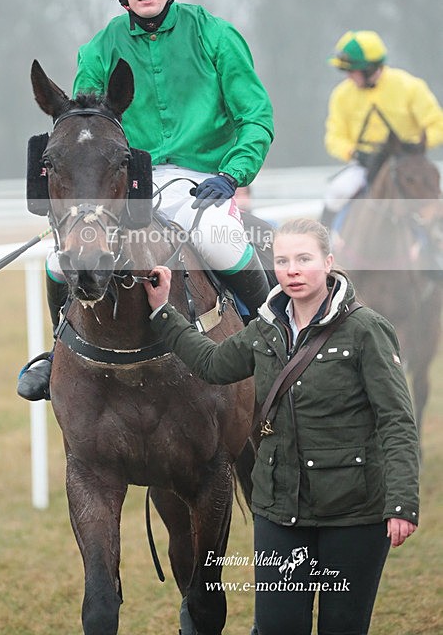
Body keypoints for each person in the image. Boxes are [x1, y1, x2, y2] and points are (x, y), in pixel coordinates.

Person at [17, 0, 274, 401]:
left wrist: (232, 173)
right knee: (58, 261)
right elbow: (85, 125)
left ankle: (278, 339)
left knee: (216, 239)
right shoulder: (99, 48)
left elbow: (255, 117)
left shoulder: (216, 35)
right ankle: (58, 353)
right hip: (127, 177)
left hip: (204, 178)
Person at [143, 218, 419, 635]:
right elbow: (212, 364)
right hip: (278, 509)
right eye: (283, 261)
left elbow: (396, 420)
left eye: (304, 259)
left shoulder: (367, 330)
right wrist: (164, 312)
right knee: (277, 627)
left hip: (353, 510)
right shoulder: (263, 328)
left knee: (342, 627)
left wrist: (401, 503)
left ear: (328, 262)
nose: (292, 270)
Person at [323, 29, 443, 226]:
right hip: (366, 164)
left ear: (370, 69)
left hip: (407, 162)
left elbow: (438, 124)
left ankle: (435, 241)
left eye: (352, 71)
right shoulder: (341, 95)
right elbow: (333, 138)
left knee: (429, 198)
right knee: (336, 192)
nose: (348, 77)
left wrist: (413, 146)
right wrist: (353, 152)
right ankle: (324, 238)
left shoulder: (409, 86)